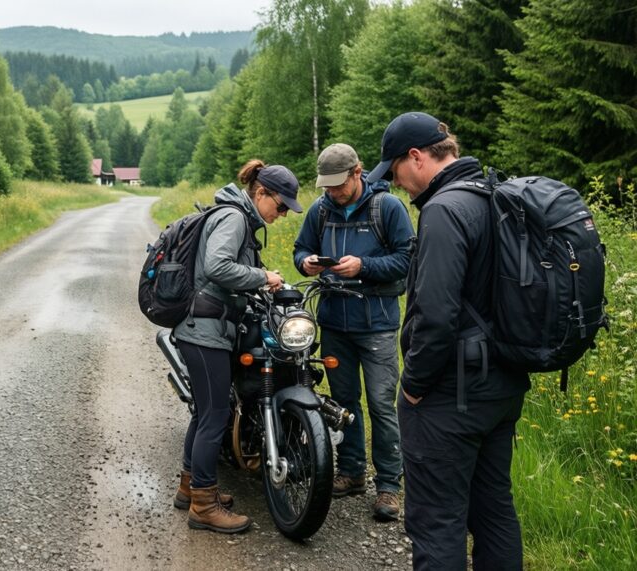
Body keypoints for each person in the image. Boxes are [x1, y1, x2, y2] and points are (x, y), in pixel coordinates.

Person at [366, 112, 530, 569]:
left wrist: (414, 384)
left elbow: (436, 316)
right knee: (494, 510)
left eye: (395, 171)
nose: (397, 183)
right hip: (502, 384)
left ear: (415, 157)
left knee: (437, 520)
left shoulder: (443, 210)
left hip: (451, 395)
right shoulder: (491, 195)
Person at [172, 159, 298, 534]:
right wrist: (263, 275)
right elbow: (217, 266)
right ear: (261, 193)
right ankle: (204, 506)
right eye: (280, 206)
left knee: (206, 411)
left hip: (202, 328)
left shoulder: (238, 215)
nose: (283, 215)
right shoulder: (236, 218)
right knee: (215, 416)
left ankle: (190, 488)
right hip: (205, 330)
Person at [292, 143, 414, 522]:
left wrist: (363, 266)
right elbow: (300, 248)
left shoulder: (388, 208)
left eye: (337, 185)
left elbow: (407, 259)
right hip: (333, 323)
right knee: (343, 405)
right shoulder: (320, 210)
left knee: (380, 404)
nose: (331, 192)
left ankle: (390, 487)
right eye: (326, 186)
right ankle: (352, 473)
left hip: (376, 323)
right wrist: (307, 262)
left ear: (358, 172)